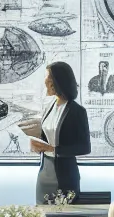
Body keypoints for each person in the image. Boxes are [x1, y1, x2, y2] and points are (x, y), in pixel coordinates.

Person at [31, 61, 90, 203]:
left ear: (57, 82)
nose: (45, 82)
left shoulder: (77, 112)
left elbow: (85, 147)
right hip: (45, 173)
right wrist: (38, 145)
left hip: (66, 176)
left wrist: (54, 149)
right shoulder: (48, 108)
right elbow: (46, 137)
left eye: (48, 78)